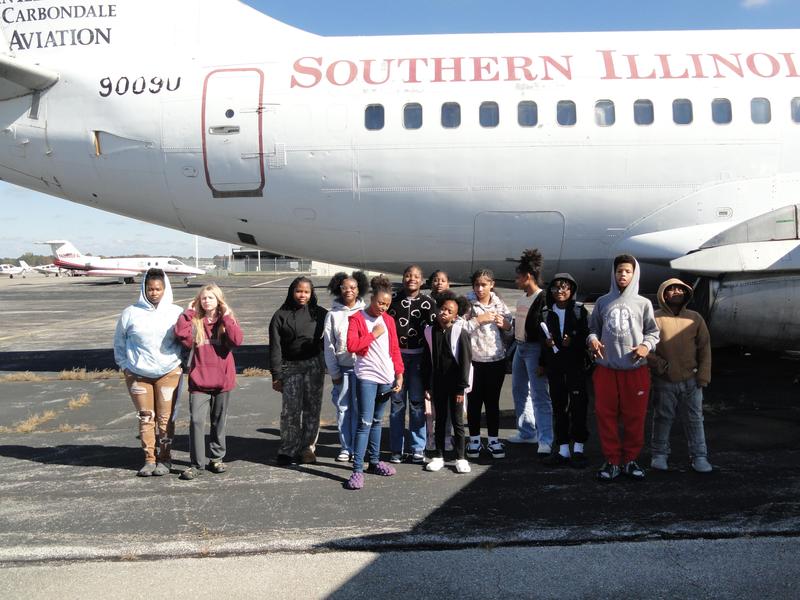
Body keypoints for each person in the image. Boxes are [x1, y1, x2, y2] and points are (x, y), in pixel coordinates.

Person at [588, 255, 660, 482]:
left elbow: (653, 332)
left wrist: (646, 346)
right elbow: (593, 329)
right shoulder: (602, 302)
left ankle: (630, 459)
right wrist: (592, 340)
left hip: (635, 370)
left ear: (634, 274)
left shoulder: (643, 303)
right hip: (606, 370)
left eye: (627, 271)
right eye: (619, 271)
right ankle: (612, 461)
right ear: (613, 273)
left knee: (634, 417)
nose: (623, 275)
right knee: (605, 416)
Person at [113, 269, 183, 477]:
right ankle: (149, 459)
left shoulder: (176, 312)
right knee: (146, 417)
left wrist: (182, 365)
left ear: (165, 289)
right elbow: (119, 342)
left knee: (165, 418)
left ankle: (165, 458)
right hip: (138, 374)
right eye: (150, 289)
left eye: (158, 289)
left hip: (168, 372)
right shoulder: (130, 313)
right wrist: (125, 365)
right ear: (144, 289)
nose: (154, 293)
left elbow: (185, 339)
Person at [174, 284, 243, 480]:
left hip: (222, 380)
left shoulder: (225, 322)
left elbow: (237, 340)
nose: (206, 301)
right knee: (196, 421)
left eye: (211, 298)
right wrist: (188, 313)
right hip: (199, 382)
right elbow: (181, 335)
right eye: (203, 298)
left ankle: (216, 458)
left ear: (218, 300)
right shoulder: (196, 321)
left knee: (218, 421)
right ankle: (196, 464)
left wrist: (228, 317)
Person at [345, 276, 404, 490]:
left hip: (386, 377)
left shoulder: (388, 320)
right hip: (367, 377)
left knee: (378, 421)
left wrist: (399, 373)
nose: (383, 308)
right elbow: (352, 346)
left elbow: (395, 349)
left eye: (387, 304)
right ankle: (357, 470)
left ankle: (375, 461)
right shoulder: (357, 318)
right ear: (372, 298)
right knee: (365, 423)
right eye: (380, 303)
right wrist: (372, 334)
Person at [647, 279, 713, 473]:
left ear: (687, 294)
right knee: (662, 417)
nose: (676, 292)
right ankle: (659, 454)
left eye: (680, 289)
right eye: (671, 289)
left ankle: (699, 455)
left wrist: (703, 375)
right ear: (662, 294)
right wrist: (660, 365)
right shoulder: (654, 317)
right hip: (664, 379)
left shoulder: (695, 318)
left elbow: (705, 347)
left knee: (695, 419)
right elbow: (645, 347)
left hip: (691, 380)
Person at [269, 277, 328, 466]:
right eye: (298, 291)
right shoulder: (280, 315)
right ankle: (288, 448)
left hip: (314, 365)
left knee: (312, 409)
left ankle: (307, 449)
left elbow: (334, 333)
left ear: (311, 294)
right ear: (292, 292)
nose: (302, 295)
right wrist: (276, 375)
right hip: (291, 366)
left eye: (306, 292)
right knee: (290, 411)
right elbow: (275, 348)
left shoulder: (320, 314)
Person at [388, 265, 437, 464]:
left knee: (417, 405)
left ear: (422, 280)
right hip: (397, 359)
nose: (411, 279)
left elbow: (434, 333)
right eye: (408, 275)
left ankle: (418, 448)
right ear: (403, 277)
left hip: (418, 359)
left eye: (416, 276)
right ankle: (396, 449)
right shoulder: (393, 300)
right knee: (397, 405)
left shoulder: (428, 302)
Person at [541, 273, 590, 468]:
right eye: (555, 288)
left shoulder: (580, 311)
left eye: (564, 288)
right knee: (559, 406)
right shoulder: (545, 312)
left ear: (571, 291)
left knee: (579, 406)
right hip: (555, 366)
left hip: (575, 365)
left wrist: (574, 340)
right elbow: (540, 339)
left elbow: (587, 335)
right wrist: (546, 347)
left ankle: (578, 448)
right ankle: (562, 449)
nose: (560, 292)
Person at [462, 269, 513, 460]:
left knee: (492, 402)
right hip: (474, 361)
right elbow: (459, 329)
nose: (480, 288)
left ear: (492, 284)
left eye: (484, 284)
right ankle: (474, 439)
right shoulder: (467, 303)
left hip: (496, 360)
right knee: (474, 402)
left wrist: (507, 326)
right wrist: (477, 320)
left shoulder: (499, 305)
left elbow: (510, 331)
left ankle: (493, 440)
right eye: (477, 285)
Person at [509, 249, 554, 460]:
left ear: (528, 276)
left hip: (535, 349)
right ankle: (527, 432)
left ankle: (545, 439)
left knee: (539, 394)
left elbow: (545, 331)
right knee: (519, 389)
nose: (516, 280)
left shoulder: (543, 298)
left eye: (518, 276)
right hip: (520, 347)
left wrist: (544, 360)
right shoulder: (522, 299)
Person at [422, 293, 473, 473]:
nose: (444, 313)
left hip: (456, 386)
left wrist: (461, 388)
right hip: (438, 384)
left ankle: (460, 457)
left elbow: (466, 362)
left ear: (455, 314)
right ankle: (438, 456)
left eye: (449, 311)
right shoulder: (429, 331)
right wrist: (427, 386)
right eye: (442, 309)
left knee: (458, 421)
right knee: (440, 420)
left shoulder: (461, 332)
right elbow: (427, 361)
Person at [323, 271, 369, 462]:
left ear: (359, 289)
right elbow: (329, 344)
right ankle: (345, 447)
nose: (349, 290)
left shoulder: (365, 313)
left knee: (361, 410)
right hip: (342, 369)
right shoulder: (332, 315)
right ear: (339, 289)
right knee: (343, 409)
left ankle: (359, 448)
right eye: (344, 287)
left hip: (363, 370)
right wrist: (334, 372)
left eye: (353, 287)